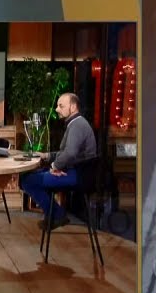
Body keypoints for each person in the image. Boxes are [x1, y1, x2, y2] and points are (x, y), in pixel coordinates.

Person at [19, 92, 98, 230]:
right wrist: (47, 156)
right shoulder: (75, 123)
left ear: (73, 107)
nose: (56, 109)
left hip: (77, 175)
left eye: (61, 106)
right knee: (29, 176)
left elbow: (70, 153)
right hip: (74, 171)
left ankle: (57, 215)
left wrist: (55, 167)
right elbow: (66, 153)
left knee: (27, 180)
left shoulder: (77, 125)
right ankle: (53, 215)